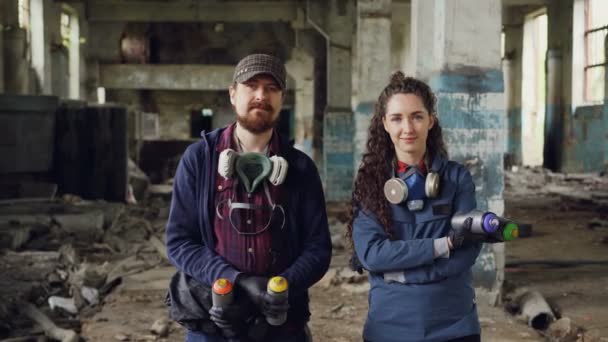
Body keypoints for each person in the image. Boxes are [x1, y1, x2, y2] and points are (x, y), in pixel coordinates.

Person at [165, 53, 332, 342]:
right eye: (251, 85)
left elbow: (318, 249)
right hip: (214, 315)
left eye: (271, 88)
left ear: (282, 98)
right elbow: (179, 242)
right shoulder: (200, 160)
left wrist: (281, 288)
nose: (260, 95)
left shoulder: (301, 168)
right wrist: (235, 280)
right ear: (233, 94)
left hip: (280, 320)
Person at [346, 71, 482, 342]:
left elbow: (467, 251)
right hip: (389, 327)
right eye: (397, 118)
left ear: (430, 121)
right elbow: (372, 255)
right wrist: (441, 246)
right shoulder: (370, 183)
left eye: (417, 116)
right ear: (384, 124)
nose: (408, 128)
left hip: (454, 325)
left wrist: (401, 274)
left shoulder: (457, 178)